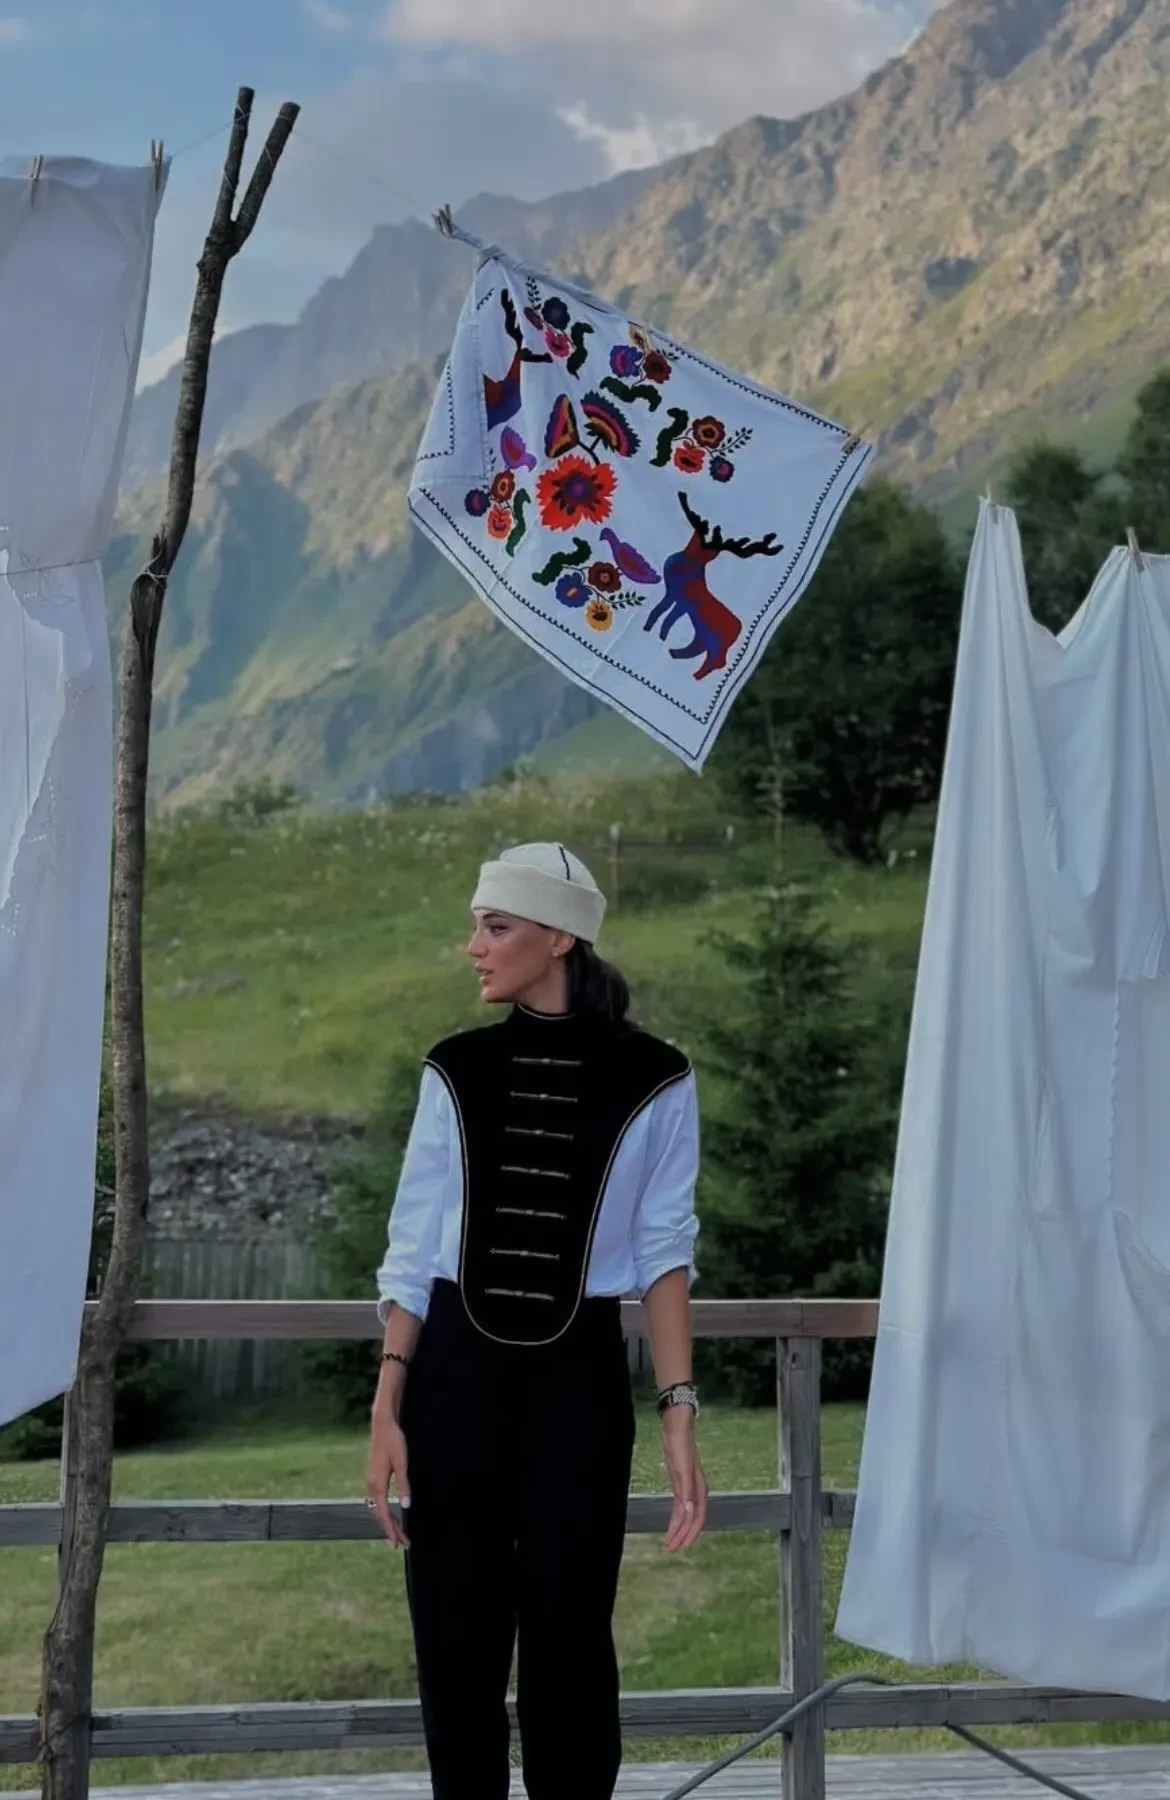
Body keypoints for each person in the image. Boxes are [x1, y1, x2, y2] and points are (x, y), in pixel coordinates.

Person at [365, 840, 707, 1800]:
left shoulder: (659, 1078)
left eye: (496, 926)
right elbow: (413, 1249)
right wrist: (387, 1405)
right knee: (454, 1644)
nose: (474, 946)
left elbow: (664, 1253)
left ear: (560, 937)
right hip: (452, 1382)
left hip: (578, 1388)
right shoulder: (453, 1070)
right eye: (477, 926)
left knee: (572, 1645)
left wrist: (678, 1410)